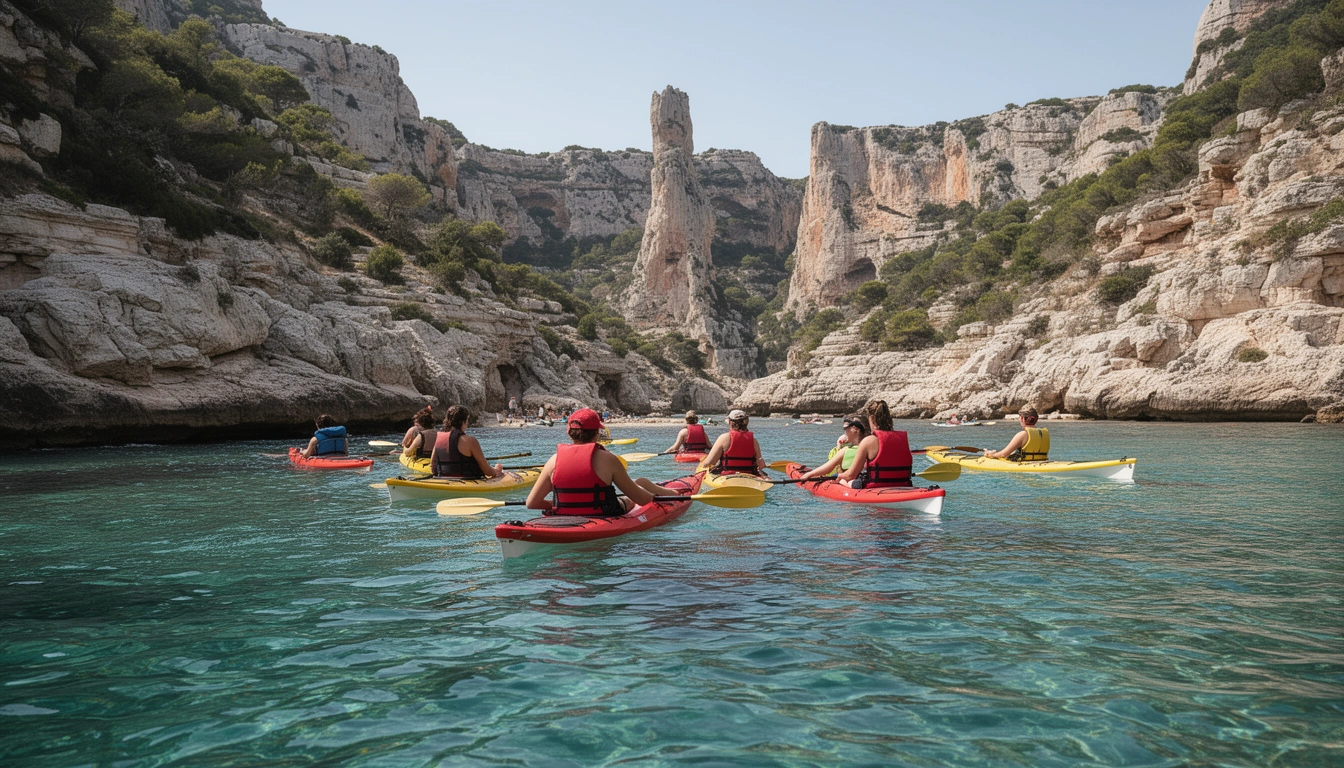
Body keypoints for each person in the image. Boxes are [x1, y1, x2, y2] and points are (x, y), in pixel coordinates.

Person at [526, 408, 678, 516]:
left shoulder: (553, 460)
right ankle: (671, 493)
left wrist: (559, 507)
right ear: (597, 433)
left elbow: (531, 503)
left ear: (569, 433)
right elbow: (641, 499)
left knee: (640, 483)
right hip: (604, 513)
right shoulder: (608, 459)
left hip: (564, 513)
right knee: (636, 489)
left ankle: (656, 488)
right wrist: (652, 498)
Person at [835, 400, 912, 489]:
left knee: (843, 481)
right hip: (903, 485)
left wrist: (839, 476)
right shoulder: (900, 438)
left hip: (874, 486)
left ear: (871, 419)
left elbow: (850, 475)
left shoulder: (868, 441)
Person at [430, 405, 503, 479]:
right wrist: (496, 470)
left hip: (442, 479)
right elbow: (487, 471)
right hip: (468, 481)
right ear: (463, 422)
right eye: (467, 420)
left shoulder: (438, 437)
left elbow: (432, 466)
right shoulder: (470, 441)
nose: (467, 424)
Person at [799, 414, 870, 480]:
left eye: (845, 429)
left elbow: (828, 468)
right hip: (869, 483)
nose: (845, 432)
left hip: (850, 484)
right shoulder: (874, 445)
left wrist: (809, 474)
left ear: (855, 429)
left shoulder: (845, 450)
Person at [700, 409, 765, 475]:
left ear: (729, 421)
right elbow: (760, 465)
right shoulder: (754, 441)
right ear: (747, 422)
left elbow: (709, 463)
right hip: (749, 476)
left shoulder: (724, 438)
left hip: (727, 476)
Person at [985, 406, 1049, 461]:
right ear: (1036, 420)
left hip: (1023, 466)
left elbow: (1003, 454)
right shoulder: (1044, 433)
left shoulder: (1022, 435)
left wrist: (990, 454)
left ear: (1022, 418)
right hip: (1041, 462)